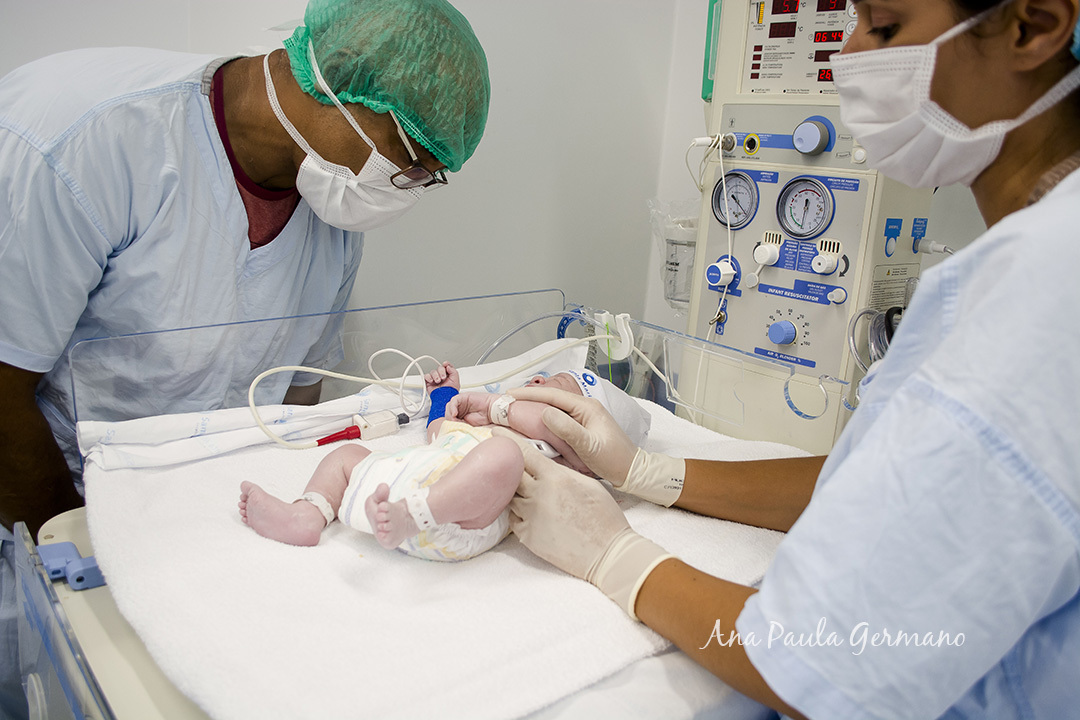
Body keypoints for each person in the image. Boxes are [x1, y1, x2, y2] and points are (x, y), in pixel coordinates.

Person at [502, 0, 1080, 718]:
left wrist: (618, 558)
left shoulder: (1040, 296)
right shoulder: (1041, 258)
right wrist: (651, 473)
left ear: (1034, 25)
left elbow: (821, 669)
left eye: (887, 26)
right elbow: (882, 484)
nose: (848, 54)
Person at [0, 1, 489, 717]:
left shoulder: (331, 210)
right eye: (411, 162)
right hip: (47, 518)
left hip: (191, 532)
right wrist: (84, 554)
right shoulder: (81, 143)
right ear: (339, 85)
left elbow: (297, 401)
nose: (408, 186)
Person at [238, 361, 653, 560]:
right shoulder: (482, 421)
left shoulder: (562, 453)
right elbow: (438, 431)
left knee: (503, 455)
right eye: (540, 379)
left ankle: (412, 514)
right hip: (408, 482)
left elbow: (545, 424)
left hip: (464, 516)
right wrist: (447, 397)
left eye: (562, 388)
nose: (540, 382)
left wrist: (496, 407)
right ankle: (308, 513)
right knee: (348, 456)